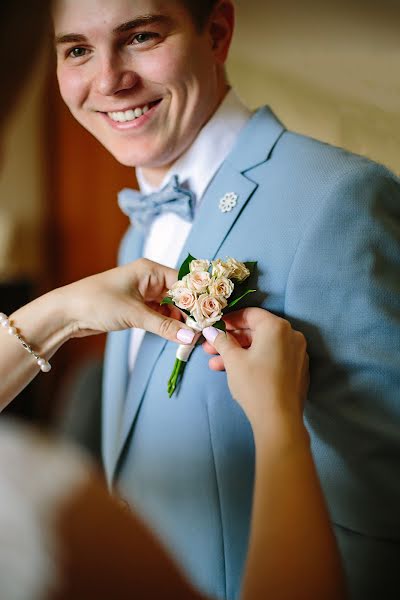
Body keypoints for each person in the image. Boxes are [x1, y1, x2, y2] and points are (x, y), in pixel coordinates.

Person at [52, 1, 400, 598]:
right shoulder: (135, 234)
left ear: (216, 34)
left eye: (139, 36)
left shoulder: (339, 199)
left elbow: (382, 517)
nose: (108, 80)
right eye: (77, 49)